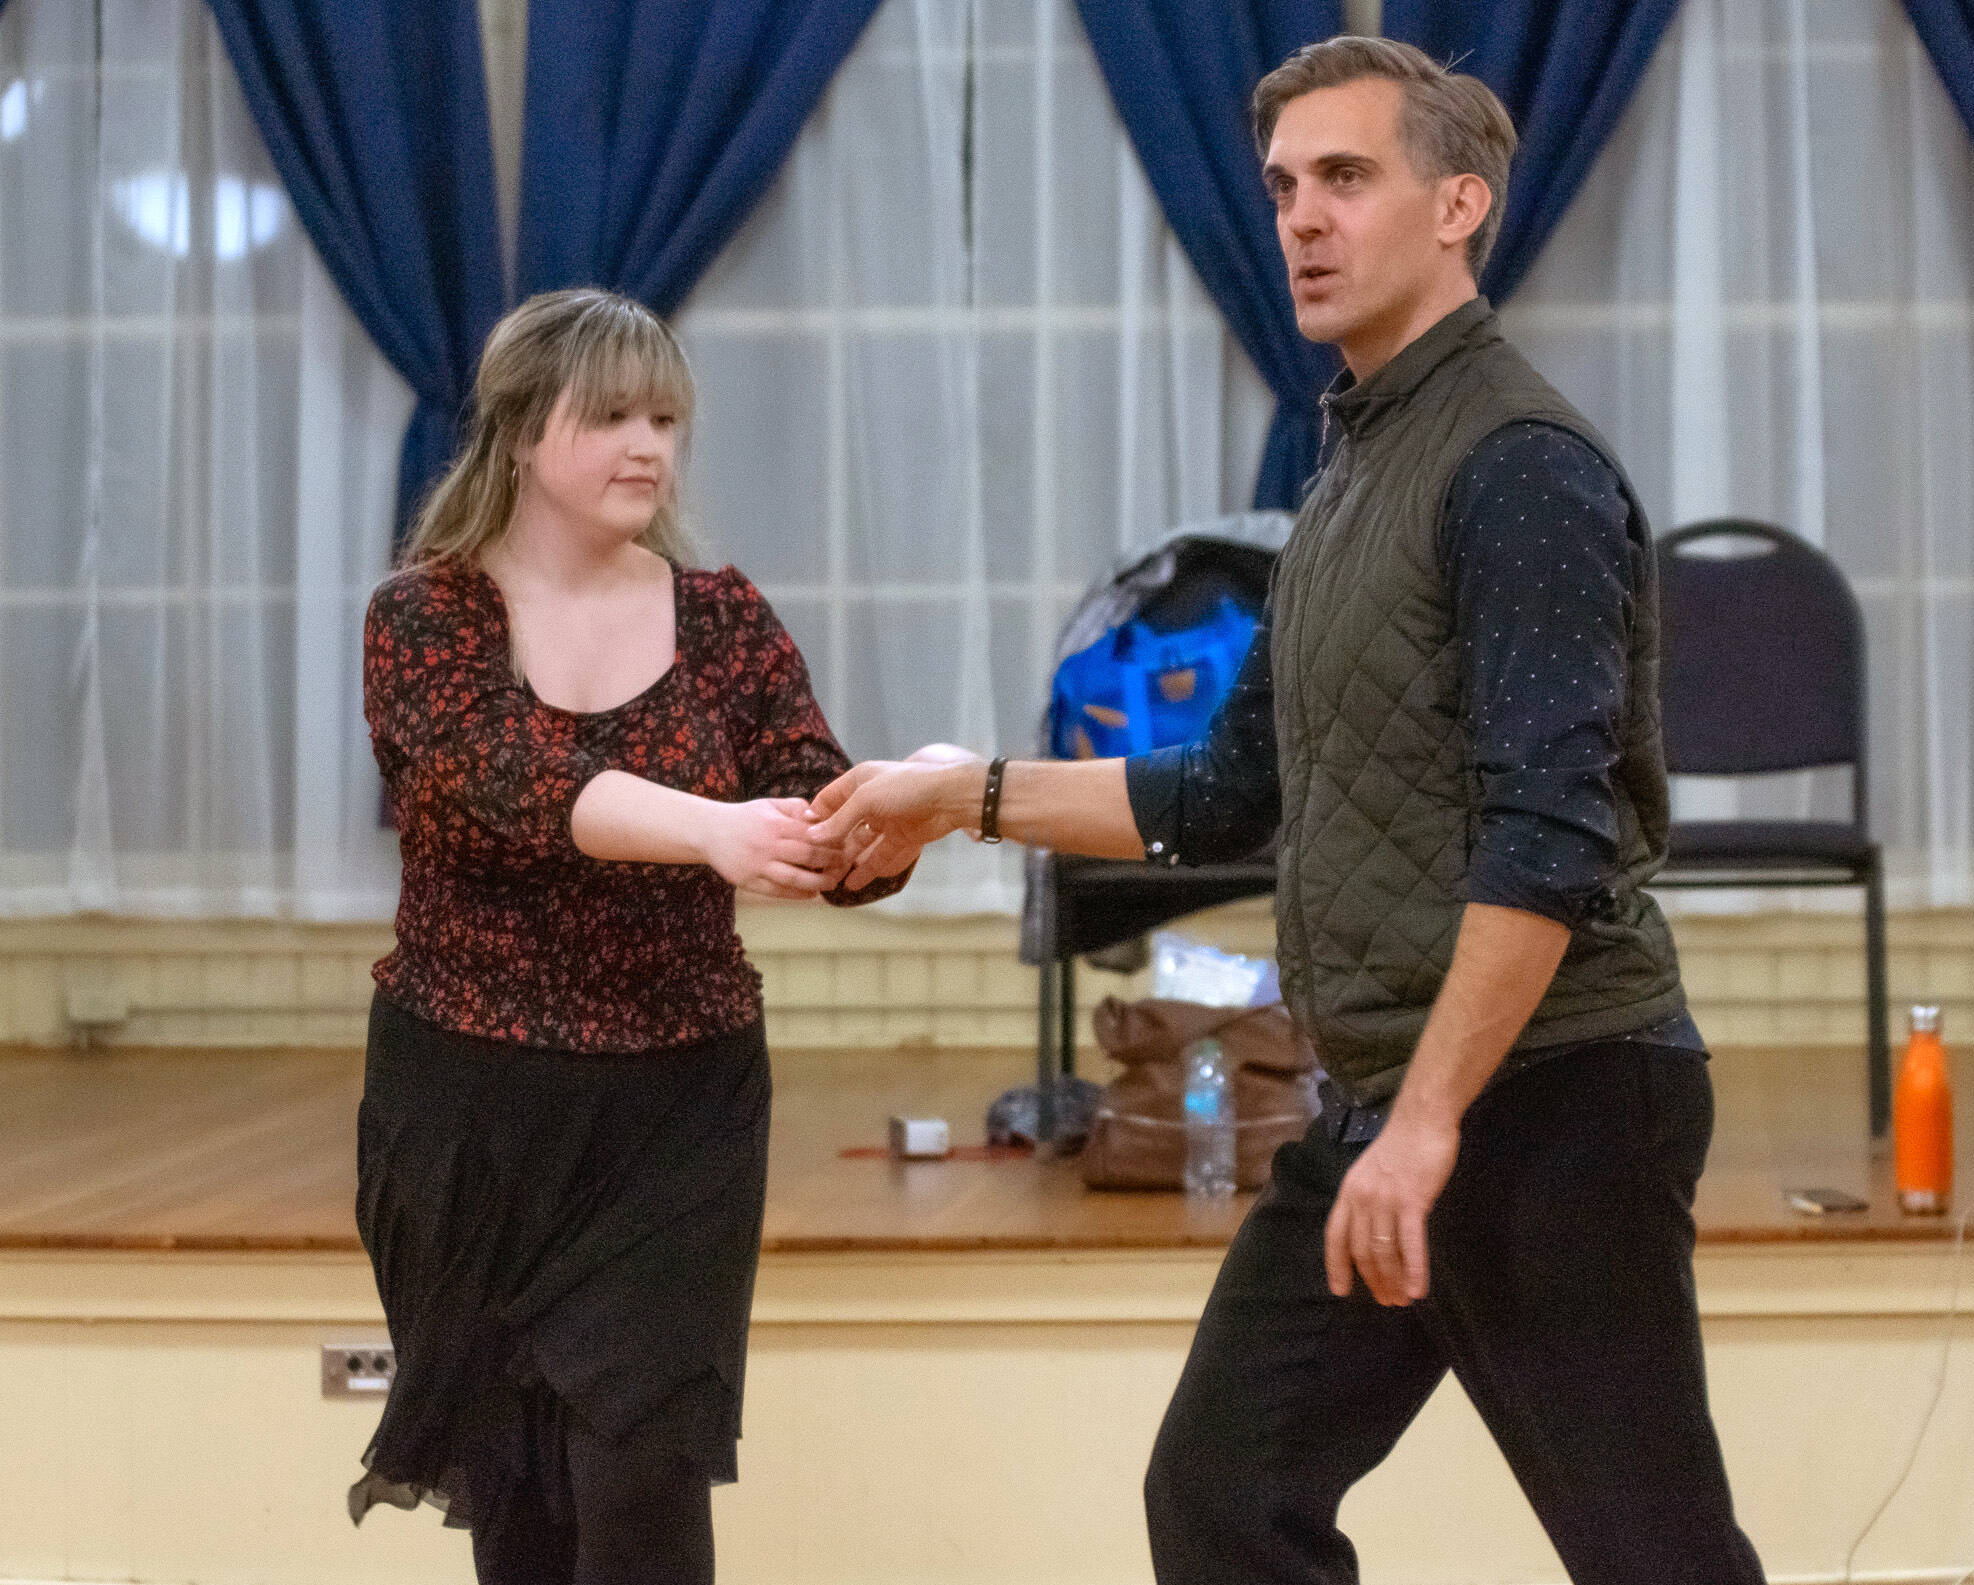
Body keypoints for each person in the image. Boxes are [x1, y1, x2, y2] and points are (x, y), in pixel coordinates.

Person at [812, 37, 1768, 1585]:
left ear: (1459, 204)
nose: (1301, 218)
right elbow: (1227, 789)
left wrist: (1433, 1121)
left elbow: (1551, 827)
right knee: (1221, 1497)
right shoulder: (1349, 478)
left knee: (1653, 1555)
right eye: (1280, 188)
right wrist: (958, 795)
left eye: (1345, 177)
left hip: (1553, 1100)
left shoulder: (1518, 466)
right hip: (1394, 1099)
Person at [352, 286, 907, 1585]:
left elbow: (810, 793)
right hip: (472, 1116)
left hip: (677, 1111)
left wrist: (888, 814)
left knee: (645, 1473)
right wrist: (713, 830)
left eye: (665, 415)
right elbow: (493, 783)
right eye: (611, 415)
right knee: (523, 1511)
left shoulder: (721, 617)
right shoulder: (421, 618)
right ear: (520, 430)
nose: (648, 444)